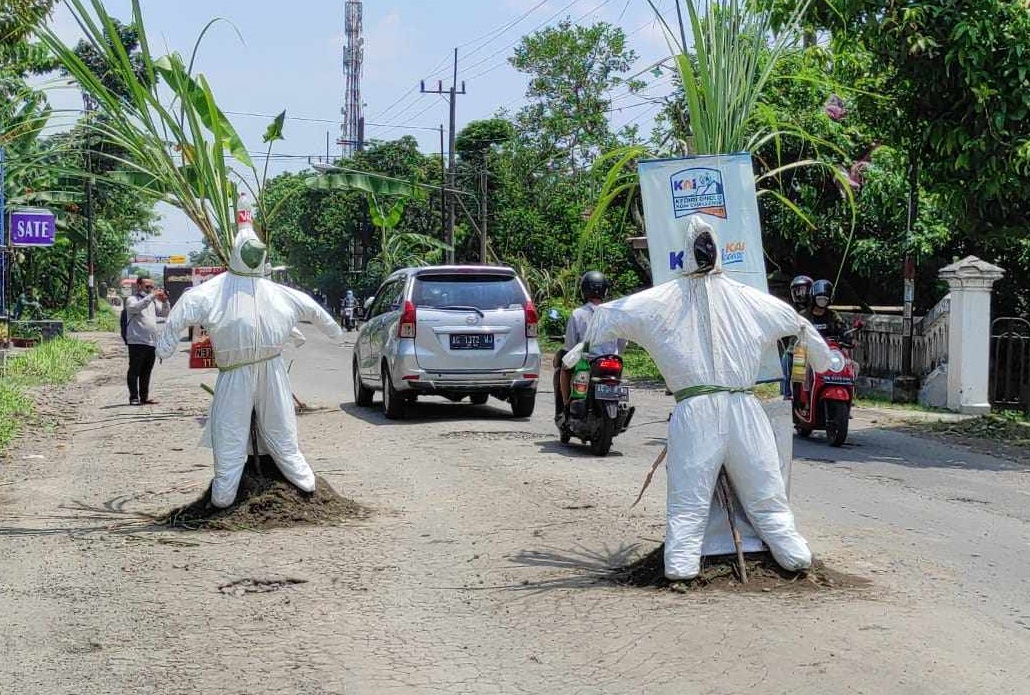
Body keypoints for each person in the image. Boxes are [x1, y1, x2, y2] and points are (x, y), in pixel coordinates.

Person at [564, 215, 832, 580]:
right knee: (750, 495)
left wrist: (579, 348)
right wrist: (823, 358)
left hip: (707, 411)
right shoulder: (743, 298)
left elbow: (612, 314)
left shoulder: (665, 300)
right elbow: (796, 322)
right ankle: (776, 554)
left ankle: (686, 565)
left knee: (704, 499)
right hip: (735, 408)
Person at [156, 204, 344, 508]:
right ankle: (229, 491)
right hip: (244, 371)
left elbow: (184, 310)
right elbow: (313, 310)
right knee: (241, 428)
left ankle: (291, 480)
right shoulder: (229, 290)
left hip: (262, 370)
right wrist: (332, 332)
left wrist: (164, 347)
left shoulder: (226, 291)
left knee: (271, 427)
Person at [556, 271, 626, 417]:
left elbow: (570, 345)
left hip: (588, 360)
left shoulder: (578, 314)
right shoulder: (615, 313)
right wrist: (614, 353)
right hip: (612, 360)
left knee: (564, 368)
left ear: (584, 290)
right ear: (605, 290)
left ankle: (566, 406)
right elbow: (622, 342)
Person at [124, 276, 169, 406]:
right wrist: (151, 296)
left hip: (151, 342)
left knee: (146, 371)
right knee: (134, 370)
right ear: (138, 286)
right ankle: (133, 397)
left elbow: (164, 313)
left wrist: (165, 301)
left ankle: (144, 397)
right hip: (137, 341)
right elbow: (135, 308)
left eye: (152, 287)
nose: (150, 290)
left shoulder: (153, 302)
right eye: (147, 287)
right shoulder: (132, 299)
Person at [781, 275, 813, 397]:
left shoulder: (815, 309)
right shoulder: (790, 309)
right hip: (796, 347)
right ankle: (787, 392)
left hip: (814, 348)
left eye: (803, 291)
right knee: (786, 358)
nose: (800, 294)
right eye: (797, 291)